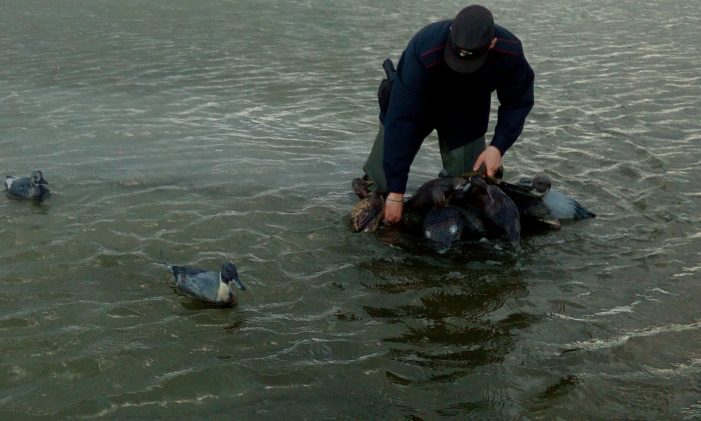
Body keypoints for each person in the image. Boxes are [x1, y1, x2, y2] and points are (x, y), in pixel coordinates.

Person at [361, 5, 535, 224]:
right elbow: (402, 120)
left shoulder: (509, 51)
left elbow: (518, 102)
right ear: (451, 33)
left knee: (471, 188)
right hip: (418, 104)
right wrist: (396, 193)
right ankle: (376, 185)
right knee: (382, 185)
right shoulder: (424, 48)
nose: (461, 66)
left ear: (492, 44)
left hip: (466, 110)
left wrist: (497, 147)